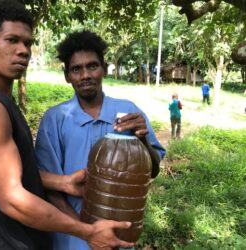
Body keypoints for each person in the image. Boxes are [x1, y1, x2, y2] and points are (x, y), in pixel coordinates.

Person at [0, 1, 134, 250]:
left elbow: (10, 171)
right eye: (12, 40)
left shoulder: (0, 102)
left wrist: (63, 182)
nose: (23, 50)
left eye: (27, 43)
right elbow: (12, 199)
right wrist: (87, 231)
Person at [35, 30, 166, 250]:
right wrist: (88, 234)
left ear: (103, 68)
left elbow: (152, 170)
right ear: (67, 75)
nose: (85, 75)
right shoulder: (55, 120)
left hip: (120, 238)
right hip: (73, 239)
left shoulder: (128, 112)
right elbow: (50, 189)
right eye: (76, 69)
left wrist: (142, 140)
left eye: (92, 66)